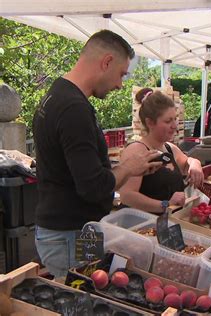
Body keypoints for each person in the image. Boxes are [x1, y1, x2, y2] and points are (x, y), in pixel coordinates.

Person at [33, 30, 162, 278]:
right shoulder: (73, 109)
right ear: (106, 62)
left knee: (91, 294)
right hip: (71, 234)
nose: (119, 84)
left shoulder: (57, 95)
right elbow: (93, 187)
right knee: (82, 301)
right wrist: (128, 168)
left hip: (75, 230)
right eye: (121, 74)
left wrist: (129, 168)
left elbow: (74, 168)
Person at [119, 88, 204, 213]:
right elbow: (127, 196)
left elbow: (187, 162)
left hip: (167, 225)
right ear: (150, 123)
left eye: (175, 119)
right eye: (168, 121)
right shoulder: (137, 151)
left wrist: (195, 163)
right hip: (142, 227)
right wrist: (165, 204)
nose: (174, 126)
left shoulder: (169, 148)